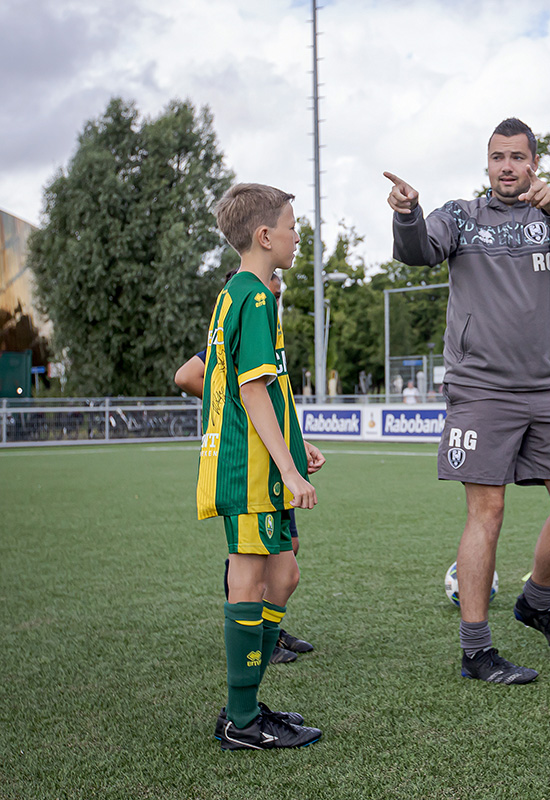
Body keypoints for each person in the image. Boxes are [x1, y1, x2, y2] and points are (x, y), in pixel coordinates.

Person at [386, 118, 550, 685]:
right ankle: (477, 652)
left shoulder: (549, 216)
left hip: (549, 387)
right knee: (488, 510)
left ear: (534, 163)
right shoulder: (458, 216)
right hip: (480, 389)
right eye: (497, 157)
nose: (507, 166)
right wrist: (407, 212)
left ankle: (535, 601)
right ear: (486, 164)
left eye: (517, 157)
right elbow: (416, 253)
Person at [198, 182, 325, 749]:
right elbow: (251, 394)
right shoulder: (251, 296)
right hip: (245, 469)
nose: (299, 236)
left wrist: (298, 451)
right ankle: (241, 721)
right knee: (251, 575)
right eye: (293, 227)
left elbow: (269, 393)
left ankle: (246, 708)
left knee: (285, 573)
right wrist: (288, 471)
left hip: (260, 464)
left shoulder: (242, 293)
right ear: (265, 235)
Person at [176, 271, 315, 666]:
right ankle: (255, 641)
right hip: (253, 461)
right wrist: (227, 398)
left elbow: (271, 397)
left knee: (286, 560)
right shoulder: (246, 314)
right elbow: (187, 375)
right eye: (273, 282)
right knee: (254, 563)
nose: (277, 289)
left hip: (273, 457)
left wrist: (297, 445)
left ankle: (267, 633)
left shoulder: (267, 323)